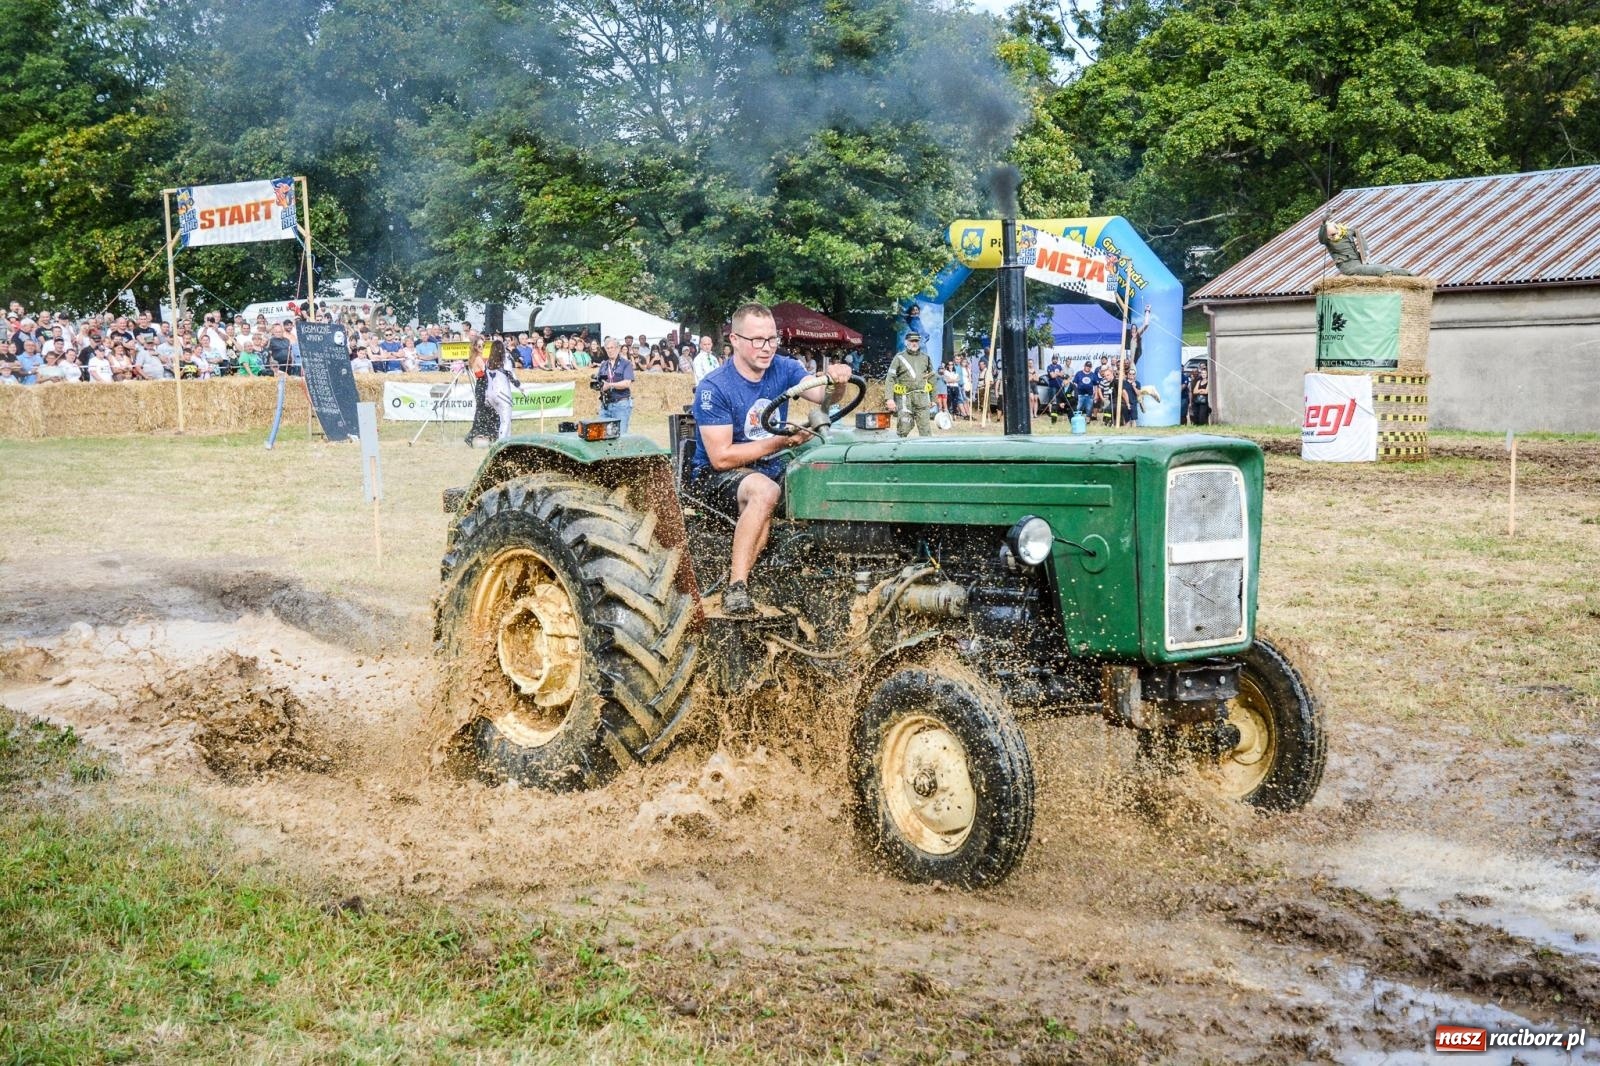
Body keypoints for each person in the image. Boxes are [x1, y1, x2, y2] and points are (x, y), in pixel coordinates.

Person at [689, 302, 852, 617]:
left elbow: (823, 398)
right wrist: (781, 441)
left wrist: (838, 381)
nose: (766, 348)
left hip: (770, 465)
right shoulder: (715, 387)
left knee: (822, 474)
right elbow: (722, 458)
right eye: (757, 340)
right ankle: (736, 586)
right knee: (765, 491)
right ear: (734, 340)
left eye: (772, 339)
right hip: (717, 477)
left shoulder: (786, 368)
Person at [885, 332, 936, 437]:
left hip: (922, 399)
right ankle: (898, 451)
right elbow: (890, 378)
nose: (914, 343)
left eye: (916, 341)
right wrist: (889, 399)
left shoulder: (925, 358)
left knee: (926, 430)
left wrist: (933, 398)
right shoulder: (899, 358)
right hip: (905, 399)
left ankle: (927, 452)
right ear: (906, 342)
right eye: (911, 341)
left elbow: (932, 377)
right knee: (903, 428)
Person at [592, 337, 635, 433]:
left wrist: (610, 385)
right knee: (602, 434)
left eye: (612, 348)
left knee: (620, 435)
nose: (610, 350)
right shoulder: (604, 365)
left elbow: (627, 383)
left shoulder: (626, 364)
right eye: (608, 348)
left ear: (618, 348)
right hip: (605, 405)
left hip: (621, 404)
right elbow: (600, 384)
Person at [484, 340, 524, 441]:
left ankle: (507, 441)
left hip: (490, 395)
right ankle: (501, 443)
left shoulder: (488, 361)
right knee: (505, 421)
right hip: (503, 394)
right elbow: (512, 377)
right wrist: (521, 388)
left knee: (503, 420)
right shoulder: (505, 359)